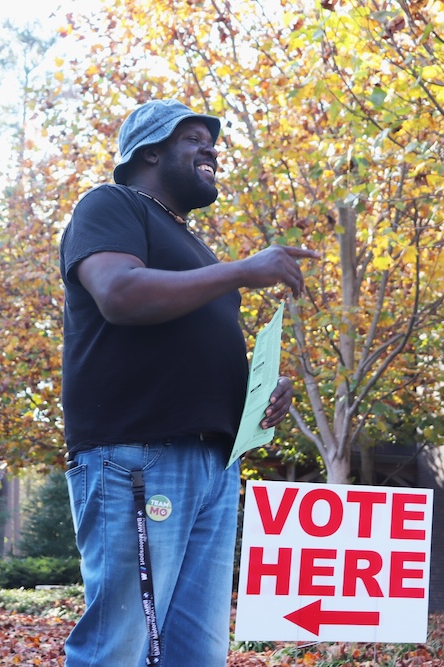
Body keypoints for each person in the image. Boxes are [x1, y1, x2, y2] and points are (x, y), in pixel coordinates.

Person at [59, 99, 318, 667]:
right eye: (194, 139)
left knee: (196, 655)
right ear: (149, 150)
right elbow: (121, 295)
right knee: (120, 646)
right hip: (139, 453)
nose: (211, 149)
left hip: (214, 466)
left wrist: (258, 393)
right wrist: (245, 271)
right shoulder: (110, 204)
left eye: (212, 140)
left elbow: (187, 346)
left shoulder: (194, 247)